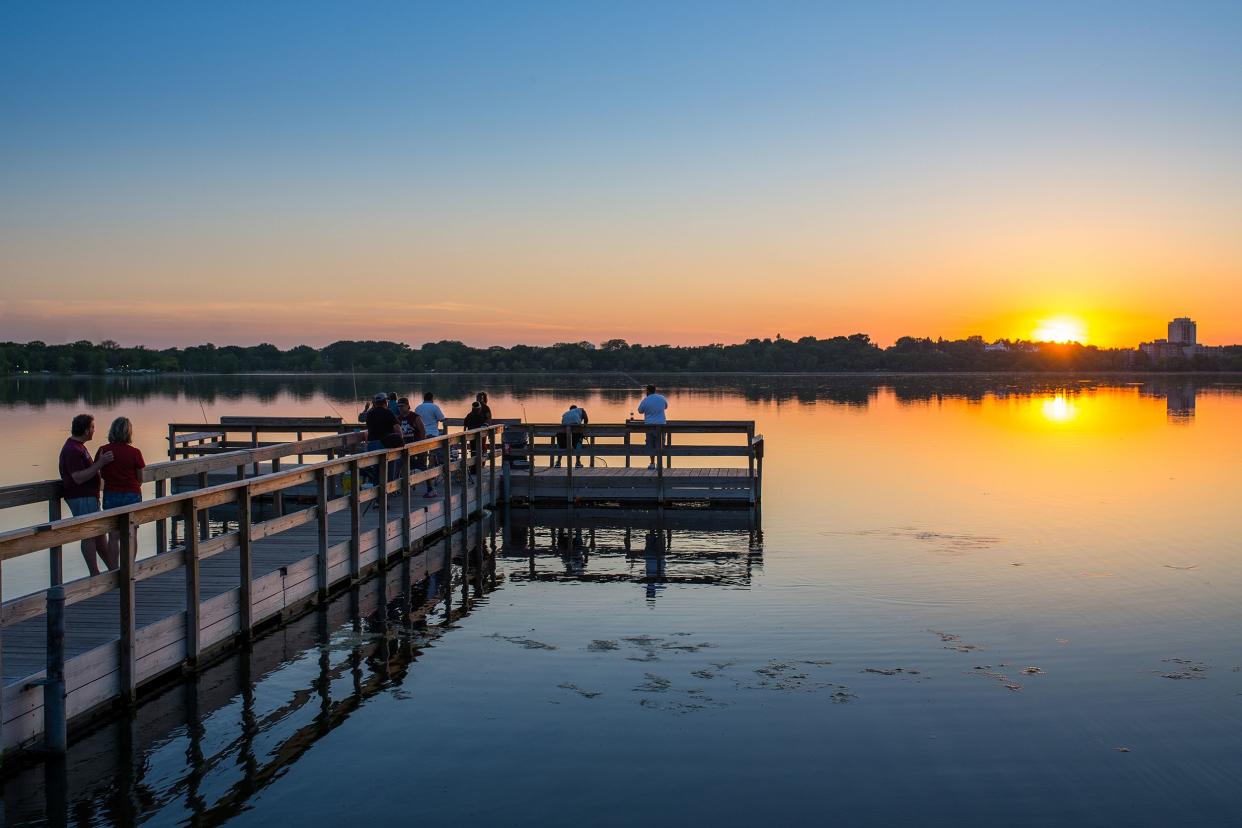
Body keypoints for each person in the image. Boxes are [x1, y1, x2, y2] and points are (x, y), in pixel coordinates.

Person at [58, 413, 113, 575]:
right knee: (89, 534)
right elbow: (78, 477)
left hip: (89, 496)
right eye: (93, 427)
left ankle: (112, 569)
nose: (94, 430)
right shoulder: (72, 450)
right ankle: (94, 573)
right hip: (81, 496)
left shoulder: (78, 447)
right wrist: (100, 464)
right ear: (86, 430)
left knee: (99, 533)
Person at [98, 416, 144, 568]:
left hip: (111, 494)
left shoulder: (103, 450)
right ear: (129, 432)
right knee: (131, 534)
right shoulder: (135, 452)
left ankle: (113, 571)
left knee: (113, 535)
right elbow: (140, 478)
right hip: (132, 494)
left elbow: (98, 472)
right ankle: (129, 568)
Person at [358, 392, 400, 486]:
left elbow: (360, 418)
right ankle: (388, 490)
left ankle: (377, 492)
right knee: (389, 468)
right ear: (385, 401)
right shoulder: (388, 412)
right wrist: (401, 440)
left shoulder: (370, 413)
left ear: (376, 402)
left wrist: (366, 408)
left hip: (372, 444)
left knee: (376, 469)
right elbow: (397, 428)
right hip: (385, 444)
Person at [414, 392, 447, 498]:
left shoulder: (418, 408)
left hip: (421, 435)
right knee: (434, 454)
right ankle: (432, 473)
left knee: (423, 456)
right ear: (432, 398)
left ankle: (426, 473)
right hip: (433, 434)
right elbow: (442, 419)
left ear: (424, 398)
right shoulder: (434, 407)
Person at [637, 384, 669, 470]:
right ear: (655, 390)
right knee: (660, 445)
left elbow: (640, 411)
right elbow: (666, 407)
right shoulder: (661, 398)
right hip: (661, 426)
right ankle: (659, 464)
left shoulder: (645, 400)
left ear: (647, 391)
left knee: (651, 445)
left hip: (649, 426)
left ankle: (652, 464)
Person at [463, 401, 488, 479]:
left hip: (471, 436)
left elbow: (465, 424)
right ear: (479, 408)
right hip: (479, 437)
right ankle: (477, 468)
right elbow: (485, 423)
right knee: (479, 452)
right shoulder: (481, 416)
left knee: (473, 452)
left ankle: (473, 469)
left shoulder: (469, 415)